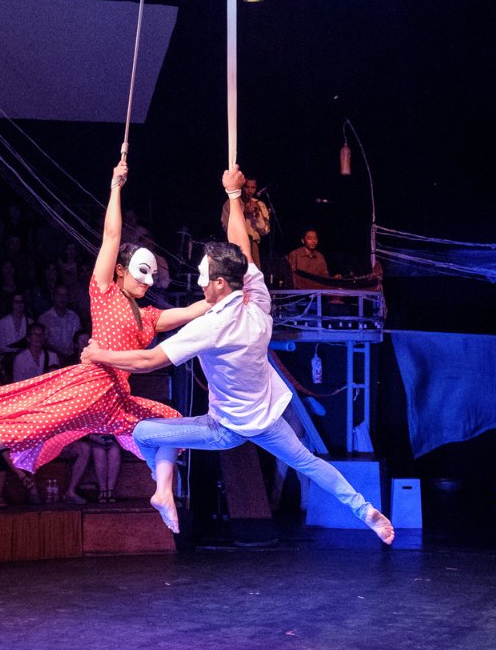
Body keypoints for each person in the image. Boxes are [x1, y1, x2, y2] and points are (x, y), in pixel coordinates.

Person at [82, 166, 394, 544]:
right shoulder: (257, 301)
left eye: (202, 275)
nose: (198, 280)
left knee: (145, 432)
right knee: (310, 463)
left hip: (226, 427)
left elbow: (149, 361)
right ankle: (364, 509)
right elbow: (241, 251)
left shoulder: (211, 327)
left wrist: (101, 355)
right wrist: (233, 198)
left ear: (217, 283)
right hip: (269, 418)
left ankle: (161, 485)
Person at [0, 160, 210, 498]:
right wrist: (115, 187)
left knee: (169, 420)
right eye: (141, 272)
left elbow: (191, 310)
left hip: (114, 401)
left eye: (152, 275)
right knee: (20, 428)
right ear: (121, 271)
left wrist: (228, 290)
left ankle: (163, 490)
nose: (148, 281)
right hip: (91, 387)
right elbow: (112, 234)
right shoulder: (104, 291)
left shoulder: (150, 316)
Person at [219, 175, 270, 268]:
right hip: (235, 244)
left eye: (253, 188)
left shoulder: (260, 204)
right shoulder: (231, 203)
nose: (250, 191)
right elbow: (226, 226)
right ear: (242, 187)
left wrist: (257, 215)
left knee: (253, 274)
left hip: (253, 245)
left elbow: (264, 231)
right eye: (247, 187)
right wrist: (244, 213)